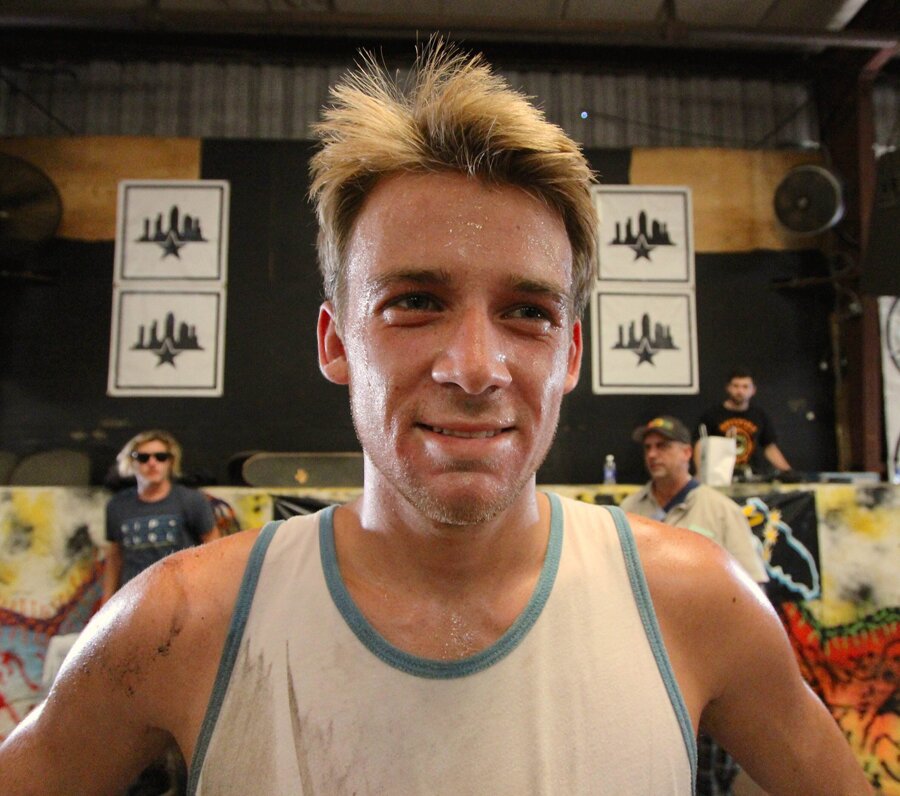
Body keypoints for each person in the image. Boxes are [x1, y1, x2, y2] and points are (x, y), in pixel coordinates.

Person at [0, 41, 870, 795]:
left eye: (527, 312)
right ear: (336, 340)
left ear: (570, 354)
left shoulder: (697, 601)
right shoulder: (182, 622)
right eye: (415, 301)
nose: (475, 367)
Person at [621, 415, 768, 796]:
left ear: (687, 452)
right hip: (646, 666)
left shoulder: (720, 511)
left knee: (708, 779)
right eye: (648, 447)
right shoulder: (629, 509)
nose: (653, 454)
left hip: (708, 667)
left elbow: (754, 590)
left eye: (663, 446)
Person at [103, 429, 220, 603]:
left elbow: (214, 549)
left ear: (171, 462)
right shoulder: (117, 505)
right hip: (132, 599)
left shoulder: (192, 500)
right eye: (143, 457)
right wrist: (107, 602)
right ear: (131, 462)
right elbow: (115, 557)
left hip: (182, 597)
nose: (152, 463)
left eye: (161, 457)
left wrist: (211, 595)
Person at [695, 367, 792, 477]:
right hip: (720, 477)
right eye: (736, 386)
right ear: (728, 388)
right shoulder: (712, 415)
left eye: (745, 387)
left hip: (752, 476)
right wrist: (700, 473)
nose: (740, 391)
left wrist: (789, 472)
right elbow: (700, 445)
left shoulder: (759, 416)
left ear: (753, 390)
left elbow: (769, 448)